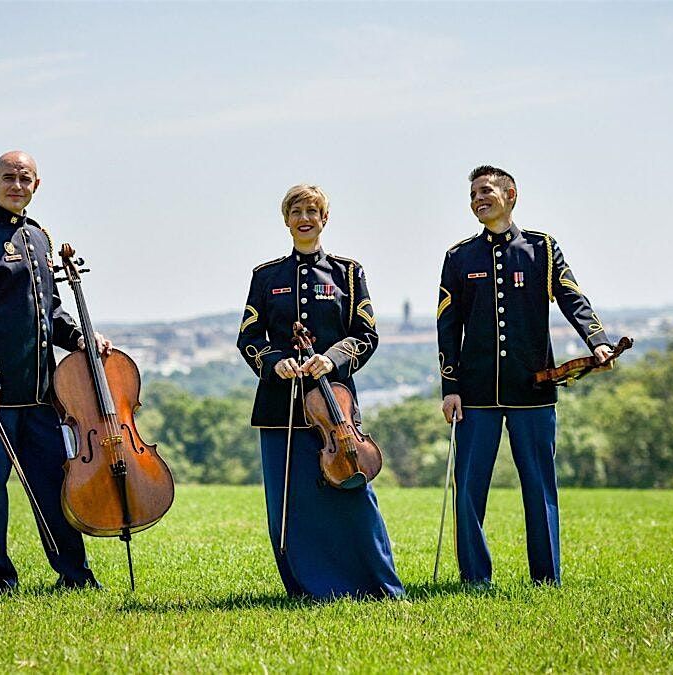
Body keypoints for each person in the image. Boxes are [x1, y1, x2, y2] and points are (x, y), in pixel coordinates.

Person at [436, 165, 613, 587]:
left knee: (539, 486)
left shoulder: (542, 249)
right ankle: (474, 578)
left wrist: (597, 340)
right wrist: (450, 387)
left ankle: (546, 578)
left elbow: (572, 297)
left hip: (533, 391)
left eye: (487, 191)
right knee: (468, 489)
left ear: (510, 194)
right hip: (475, 394)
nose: (479, 199)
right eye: (474, 194)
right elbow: (447, 326)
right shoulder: (458, 257)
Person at [0, 150, 108, 592]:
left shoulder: (39, 238)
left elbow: (48, 311)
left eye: (25, 178)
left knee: (55, 486)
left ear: (37, 184)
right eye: (9, 177)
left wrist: (80, 340)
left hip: (42, 396)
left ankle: (74, 575)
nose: (17, 185)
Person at [237, 184, 404, 599]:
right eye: (297, 211)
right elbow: (248, 336)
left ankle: (375, 583)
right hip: (280, 407)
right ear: (286, 220)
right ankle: (307, 586)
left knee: (352, 496)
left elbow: (365, 334)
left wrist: (332, 359)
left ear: (324, 219)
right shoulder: (265, 276)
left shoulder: (349, 272)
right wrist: (274, 361)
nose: (305, 218)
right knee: (289, 505)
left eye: (313, 211)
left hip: (337, 409)